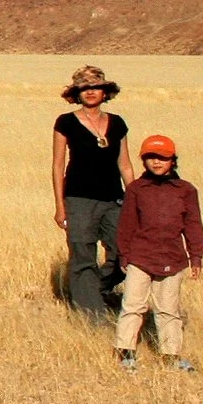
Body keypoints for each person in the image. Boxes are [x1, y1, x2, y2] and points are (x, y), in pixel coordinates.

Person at [114, 134, 203, 371]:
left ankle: (171, 356)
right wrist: (124, 255)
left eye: (163, 158)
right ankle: (125, 353)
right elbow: (127, 225)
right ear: (143, 160)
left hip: (172, 259)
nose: (156, 162)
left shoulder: (186, 190)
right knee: (133, 306)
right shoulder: (136, 189)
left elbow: (193, 224)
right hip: (140, 258)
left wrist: (196, 256)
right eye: (151, 157)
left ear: (173, 160)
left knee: (168, 310)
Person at [51, 65, 135, 320]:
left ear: (105, 92)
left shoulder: (117, 123)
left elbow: (126, 165)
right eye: (84, 88)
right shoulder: (66, 122)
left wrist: (136, 201)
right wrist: (60, 206)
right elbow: (57, 165)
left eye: (95, 87)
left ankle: (94, 290)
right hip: (79, 199)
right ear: (77, 93)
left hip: (114, 199)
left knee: (124, 252)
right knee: (83, 254)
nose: (90, 92)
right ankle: (92, 315)